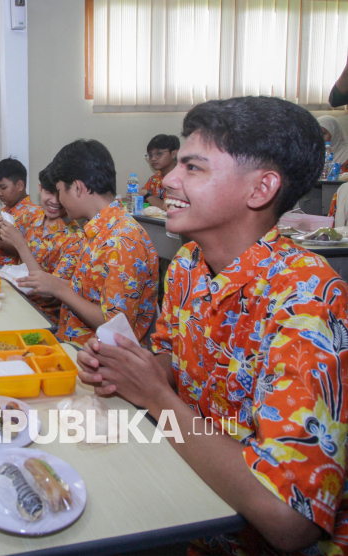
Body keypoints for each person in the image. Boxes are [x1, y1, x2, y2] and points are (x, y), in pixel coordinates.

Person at [77, 96, 348, 555]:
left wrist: (156, 397)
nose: (168, 181)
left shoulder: (307, 295)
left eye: (193, 168)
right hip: (194, 509)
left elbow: (288, 520)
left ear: (260, 189)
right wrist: (130, 366)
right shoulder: (187, 264)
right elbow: (169, 357)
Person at [16, 140, 159, 348]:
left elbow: (114, 325)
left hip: (100, 361)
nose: (59, 201)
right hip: (74, 344)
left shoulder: (123, 240)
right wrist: (52, 283)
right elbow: (91, 294)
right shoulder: (98, 230)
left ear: (77, 187)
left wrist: (59, 289)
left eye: (59, 191)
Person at [0, 166, 85, 324]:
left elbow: (49, 295)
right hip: (14, 298)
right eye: (49, 192)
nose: (55, 201)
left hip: (42, 315)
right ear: (40, 189)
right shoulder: (32, 216)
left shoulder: (76, 238)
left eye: (61, 195)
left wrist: (21, 245)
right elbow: (3, 237)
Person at [140, 134, 179, 209]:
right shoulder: (155, 178)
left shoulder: (182, 178)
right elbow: (138, 198)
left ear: (173, 154)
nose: (153, 158)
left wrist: (146, 193)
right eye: (150, 155)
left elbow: (169, 208)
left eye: (159, 153)